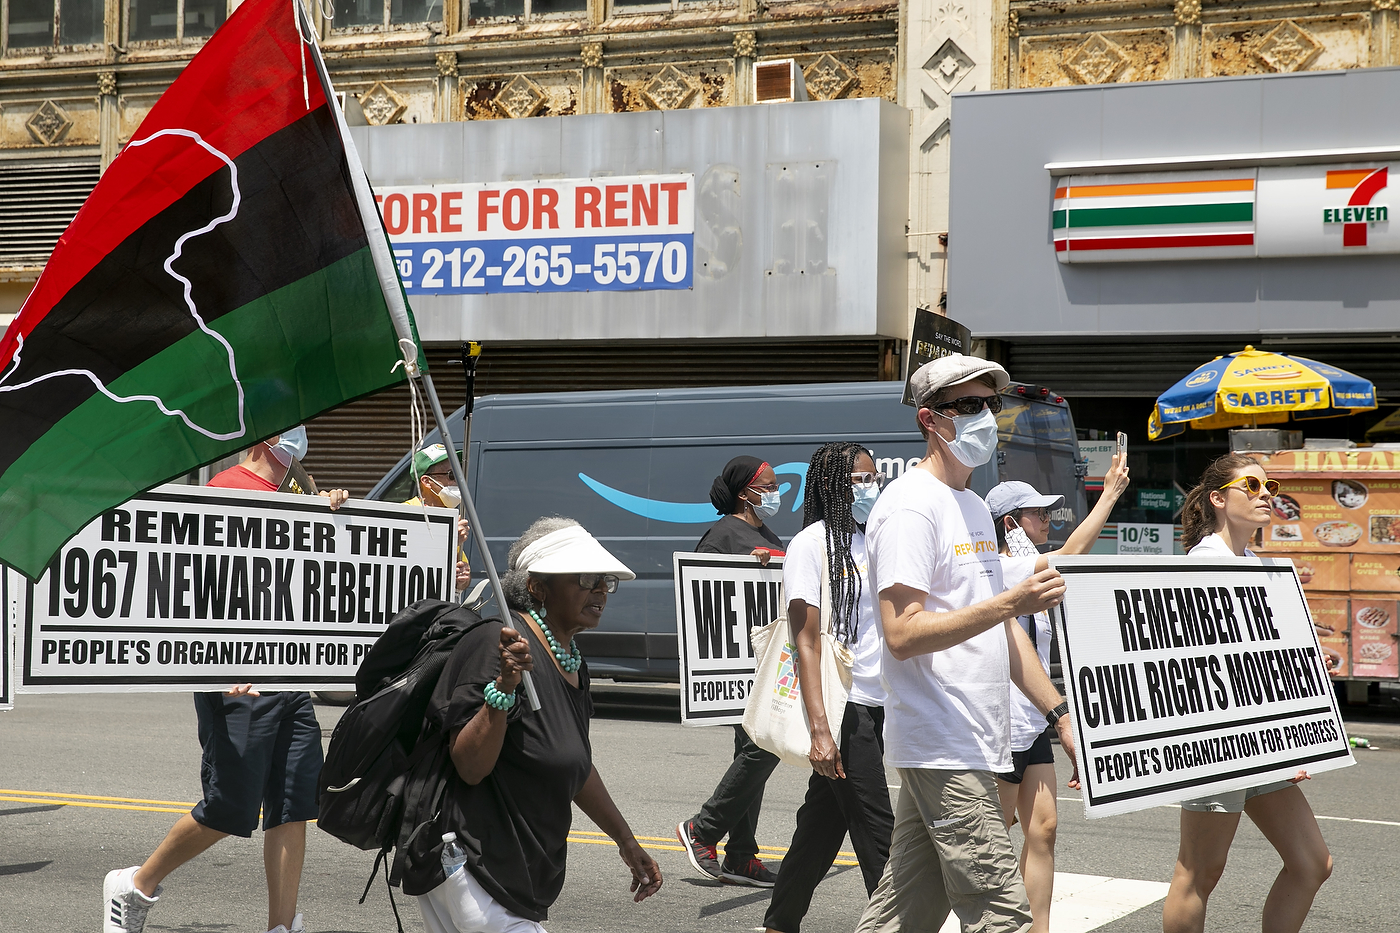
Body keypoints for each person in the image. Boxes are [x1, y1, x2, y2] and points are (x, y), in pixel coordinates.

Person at [853, 354, 1081, 933]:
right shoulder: (909, 506)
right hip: (942, 742)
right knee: (1004, 915)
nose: (986, 416)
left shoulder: (974, 507)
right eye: (970, 406)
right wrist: (1012, 602)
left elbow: (1001, 630)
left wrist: (1058, 714)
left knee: (904, 916)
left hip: (976, 739)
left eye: (992, 404)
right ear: (931, 420)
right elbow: (901, 634)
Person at [103, 429, 349, 933]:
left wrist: (330, 516)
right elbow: (191, 583)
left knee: (293, 802)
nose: (302, 439)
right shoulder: (224, 491)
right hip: (238, 678)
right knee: (231, 805)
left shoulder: (293, 499)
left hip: (291, 673)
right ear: (267, 436)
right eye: (293, 429)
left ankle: (282, 926)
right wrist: (217, 662)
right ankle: (136, 885)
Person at [400, 517, 663, 932]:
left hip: (523, 870)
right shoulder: (497, 643)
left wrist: (626, 841)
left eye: (605, 581)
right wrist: (504, 686)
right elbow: (469, 764)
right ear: (538, 587)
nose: (600, 590)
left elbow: (573, 761)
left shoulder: (571, 658)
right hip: (473, 864)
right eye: (587, 578)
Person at [1161, 454, 1332, 933]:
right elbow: (1203, 665)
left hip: (1259, 741)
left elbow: (1266, 663)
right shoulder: (1205, 563)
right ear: (1218, 498)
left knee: (1312, 863)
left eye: (1270, 485)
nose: (1266, 494)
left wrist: (1287, 741)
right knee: (1199, 873)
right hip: (1217, 740)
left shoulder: (1255, 562)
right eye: (1252, 485)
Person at [985, 456, 1129, 933]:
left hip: (1033, 727)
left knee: (1043, 829)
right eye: (1039, 514)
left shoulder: (1036, 576)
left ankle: (1037, 929)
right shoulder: (1004, 568)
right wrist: (1108, 495)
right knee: (987, 843)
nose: (1048, 521)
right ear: (1011, 524)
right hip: (1000, 727)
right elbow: (1071, 553)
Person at [762, 442, 894, 933]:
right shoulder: (812, 544)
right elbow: (806, 641)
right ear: (836, 485)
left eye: (874, 478)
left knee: (821, 825)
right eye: (861, 479)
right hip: (844, 710)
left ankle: (779, 923)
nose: (871, 486)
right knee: (881, 836)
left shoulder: (872, 539)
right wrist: (821, 729)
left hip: (878, 704)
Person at [676, 456, 786, 886]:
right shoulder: (722, 535)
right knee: (762, 747)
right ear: (746, 493)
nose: (778, 492)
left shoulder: (765, 532)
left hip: (770, 662)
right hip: (742, 665)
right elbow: (705, 596)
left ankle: (741, 854)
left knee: (754, 751)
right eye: (770, 485)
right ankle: (702, 830)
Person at [406, 443, 473, 594]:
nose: (456, 481)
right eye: (451, 475)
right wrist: (448, 542)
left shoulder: (451, 517)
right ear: (427, 481)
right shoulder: (405, 512)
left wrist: (462, 579)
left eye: (458, 474)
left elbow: (460, 584)